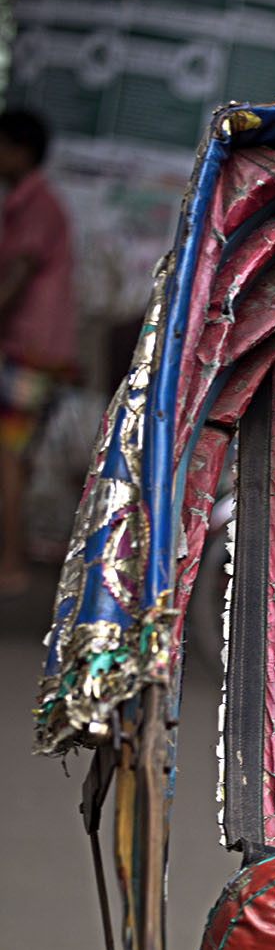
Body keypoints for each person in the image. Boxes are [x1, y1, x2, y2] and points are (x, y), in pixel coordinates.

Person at [0, 108, 76, 596]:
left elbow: (16, 279)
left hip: (31, 353)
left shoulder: (37, 206)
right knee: (16, 457)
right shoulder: (27, 203)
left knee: (8, 456)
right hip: (31, 351)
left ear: (21, 151)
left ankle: (10, 565)